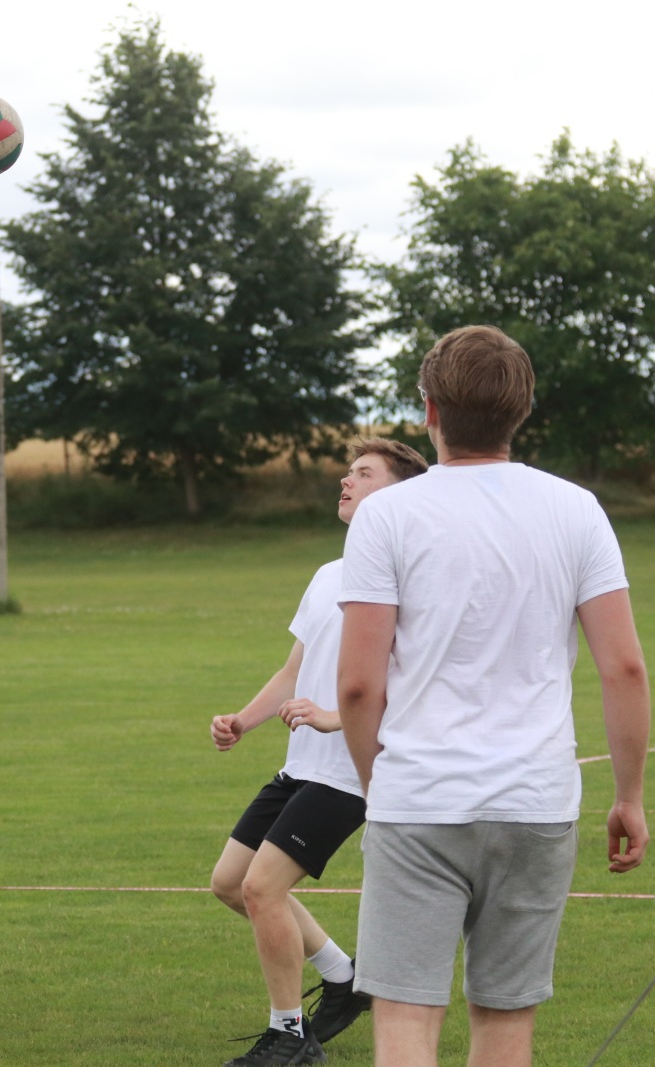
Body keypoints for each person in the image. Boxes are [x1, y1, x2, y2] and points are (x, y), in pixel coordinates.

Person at [337, 325, 650, 1067]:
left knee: (406, 1023)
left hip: (418, 798)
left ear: (429, 412)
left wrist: (378, 781)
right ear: (523, 410)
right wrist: (629, 795)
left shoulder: (388, 515)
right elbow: (625, 669)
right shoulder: (576, 509)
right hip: (537, 801)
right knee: (504, 1026)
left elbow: (356, 682)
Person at [210, 438, 429, 1066]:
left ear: (398, 495)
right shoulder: (329, 576)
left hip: (351, 774)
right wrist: (243, 722)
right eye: (346, 472)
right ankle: (342, 978)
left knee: (262, 890)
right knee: (229, 883)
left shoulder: (411, 577)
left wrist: (340, 718)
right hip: (300, 766)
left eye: (363, 474)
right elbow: (294, 671)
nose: (345, 481)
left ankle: (288, 1036)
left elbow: (417, 682)